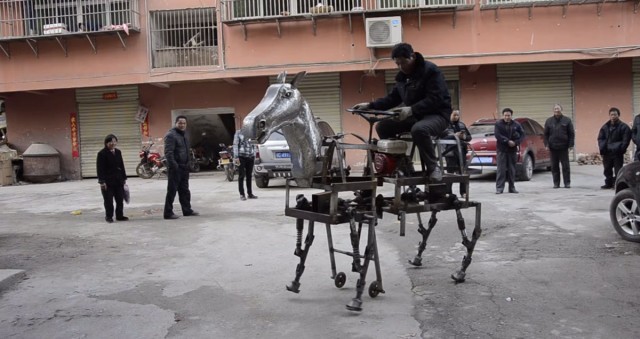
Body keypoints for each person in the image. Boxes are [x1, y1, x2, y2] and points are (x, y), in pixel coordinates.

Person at [352, 42, 452, 181]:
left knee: (419, 130)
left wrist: (411, 109)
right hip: (416, 115)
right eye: (397, 64)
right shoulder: (402, 78)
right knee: (383, 126)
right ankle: (403, 162)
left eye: (403, 62)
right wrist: (370, 105)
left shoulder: (430, 71)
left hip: (438, 115)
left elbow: (436, 98)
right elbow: (392, 99)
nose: (401, 67)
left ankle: (433, 167)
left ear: (412, 57)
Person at [164, 115, 199, 219]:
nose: (182, 125)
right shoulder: (171, 135)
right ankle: (168, 213)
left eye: (184, 123)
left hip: (184, 168)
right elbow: (168, 153)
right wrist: (174, 166)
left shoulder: (184, 135)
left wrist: (188, 164)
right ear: (176, 123)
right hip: (176, 168)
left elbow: (187, 152)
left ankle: (187, 210)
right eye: (180, 123)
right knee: (172, 191)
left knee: (185, 190)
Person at [96, 134, 128, 223]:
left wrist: (124, 177)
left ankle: (119, 215)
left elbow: (121, 165)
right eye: (110, 142)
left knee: (120, 199)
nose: (113, 143)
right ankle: (109, 216)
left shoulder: (118, 152)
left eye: (114, 141)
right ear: (106, 143)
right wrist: (102, 181)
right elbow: (100, 169)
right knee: (108, 201)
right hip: (107, 182)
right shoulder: (102, 153)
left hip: (118, 180)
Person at [597, 107, 631, 189]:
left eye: (615, 114)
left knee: (618, 170)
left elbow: (626, 140)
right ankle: (608, 183)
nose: (613, 116)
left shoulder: (624, 127)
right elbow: (600, 138)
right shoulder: (605, 127)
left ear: (618, 115)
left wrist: (621, 149)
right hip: (607, 152)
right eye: (611, 115)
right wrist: (602, 147)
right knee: (607, 169)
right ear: (609, 115)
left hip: (617, 152)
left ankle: (617, 184)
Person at [543, 104, 575, 189]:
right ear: (553, 110)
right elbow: (545, 134)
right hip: (553, 147)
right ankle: (556, 183)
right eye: (555, 109)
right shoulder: (549, 121)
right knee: (554, 166)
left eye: (558, 108)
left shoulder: (567, 120)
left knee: (565, 166)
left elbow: (571, 134)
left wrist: (571, 145)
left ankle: (567, 183)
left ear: (561, 110)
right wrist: (546, 144)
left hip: (563, 147)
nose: (557, 110)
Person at [442, 110, 472, 197]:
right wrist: (455, 135)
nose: (456, 117)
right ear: (450, 114)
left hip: (461, 151)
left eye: (457, 115)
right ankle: (448, 192)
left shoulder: (462, 125)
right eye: (454, 115)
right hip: (450, 152)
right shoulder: (445, 125)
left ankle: (463, 192)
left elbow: (469, 137)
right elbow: (442, 136)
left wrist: (464, 136)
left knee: (462, 171)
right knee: (450, 172)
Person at [494, 108, 524, 194]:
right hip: (502, 150)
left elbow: (522, 135)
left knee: (512, 169)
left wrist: (516, 142)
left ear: (511, 115)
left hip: (512, 150)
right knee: (501, 170)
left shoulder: (516, 124)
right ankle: (499, 188)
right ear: (503, 115)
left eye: (509, 115)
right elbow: (497, 135)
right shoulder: (498, 124)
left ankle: (512, 188)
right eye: (505, 115)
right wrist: (507, 141)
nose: (507, 117)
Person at [233, 130, 258, 201]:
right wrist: (236, 157)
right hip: (241, 157)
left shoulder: (252, 133)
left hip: (250, 156)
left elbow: (255, 144)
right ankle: (242, 194)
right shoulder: (238, 133)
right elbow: (235, 144)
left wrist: (254, 155)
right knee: (241, 175)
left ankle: (250, 193)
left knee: (249, 175)